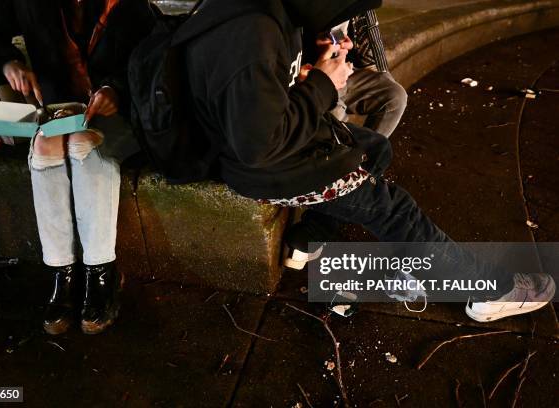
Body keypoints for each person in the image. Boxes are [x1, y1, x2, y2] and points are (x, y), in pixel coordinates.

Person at [179, 0, 555, 322]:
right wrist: (323, 84)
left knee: (375, 147)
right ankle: (486, 292)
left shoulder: (268, 17)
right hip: (265, 170)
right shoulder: (250, 37)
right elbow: (258, 145)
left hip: (287, 144)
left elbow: (264, 96)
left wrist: (311, 63)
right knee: (393, 209)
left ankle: (311, 236)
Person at [0, 0, 156, 334]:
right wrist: (7, 63)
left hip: (121, 114)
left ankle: (101, 270)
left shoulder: (128, 5)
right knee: (45, 146)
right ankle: (62, 272)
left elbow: (154, 52)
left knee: (83, 143)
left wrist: (115, 88)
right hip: (62, 112)